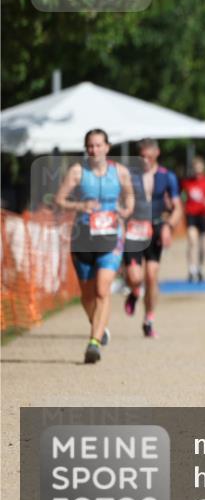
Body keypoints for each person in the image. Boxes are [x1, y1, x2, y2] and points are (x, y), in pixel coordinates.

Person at [53, 129, 135, 364]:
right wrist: (80, 205)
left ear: (107, 147)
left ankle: (94, 342)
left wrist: (126, 210)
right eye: (90, 146)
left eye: (98, 145)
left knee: (102, 289)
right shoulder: (78, 172)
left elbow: (130, 197)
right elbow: (59, 200)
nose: (94, 150)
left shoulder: (120, 172)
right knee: (87, 295)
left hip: (111, 236)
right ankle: (99, 325)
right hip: (83, 237)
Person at [122, 139, 182, 339]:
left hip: (156, 227)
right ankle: (134, 292)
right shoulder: (130, 175)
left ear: (157, 153)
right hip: (134, 228)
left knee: (151, 276)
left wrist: (168, 226)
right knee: (134, 277)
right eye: (142, 156)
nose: (146, 160)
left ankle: (149, 319)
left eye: (149, 156)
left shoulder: (167, 177)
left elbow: (177, 207)